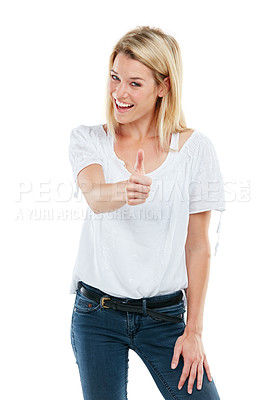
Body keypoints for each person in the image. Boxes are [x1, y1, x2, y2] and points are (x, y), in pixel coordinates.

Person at [69, 25, 225, 400]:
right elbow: (94, 195)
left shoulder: (195, 150)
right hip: (96, 314)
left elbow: (198, 248)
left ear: (164, 86)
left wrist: (194, 331)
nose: (119, 93)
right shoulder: (89, 139)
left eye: (135, 83)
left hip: (166, 318)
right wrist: (127, 189)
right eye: (115, 77)